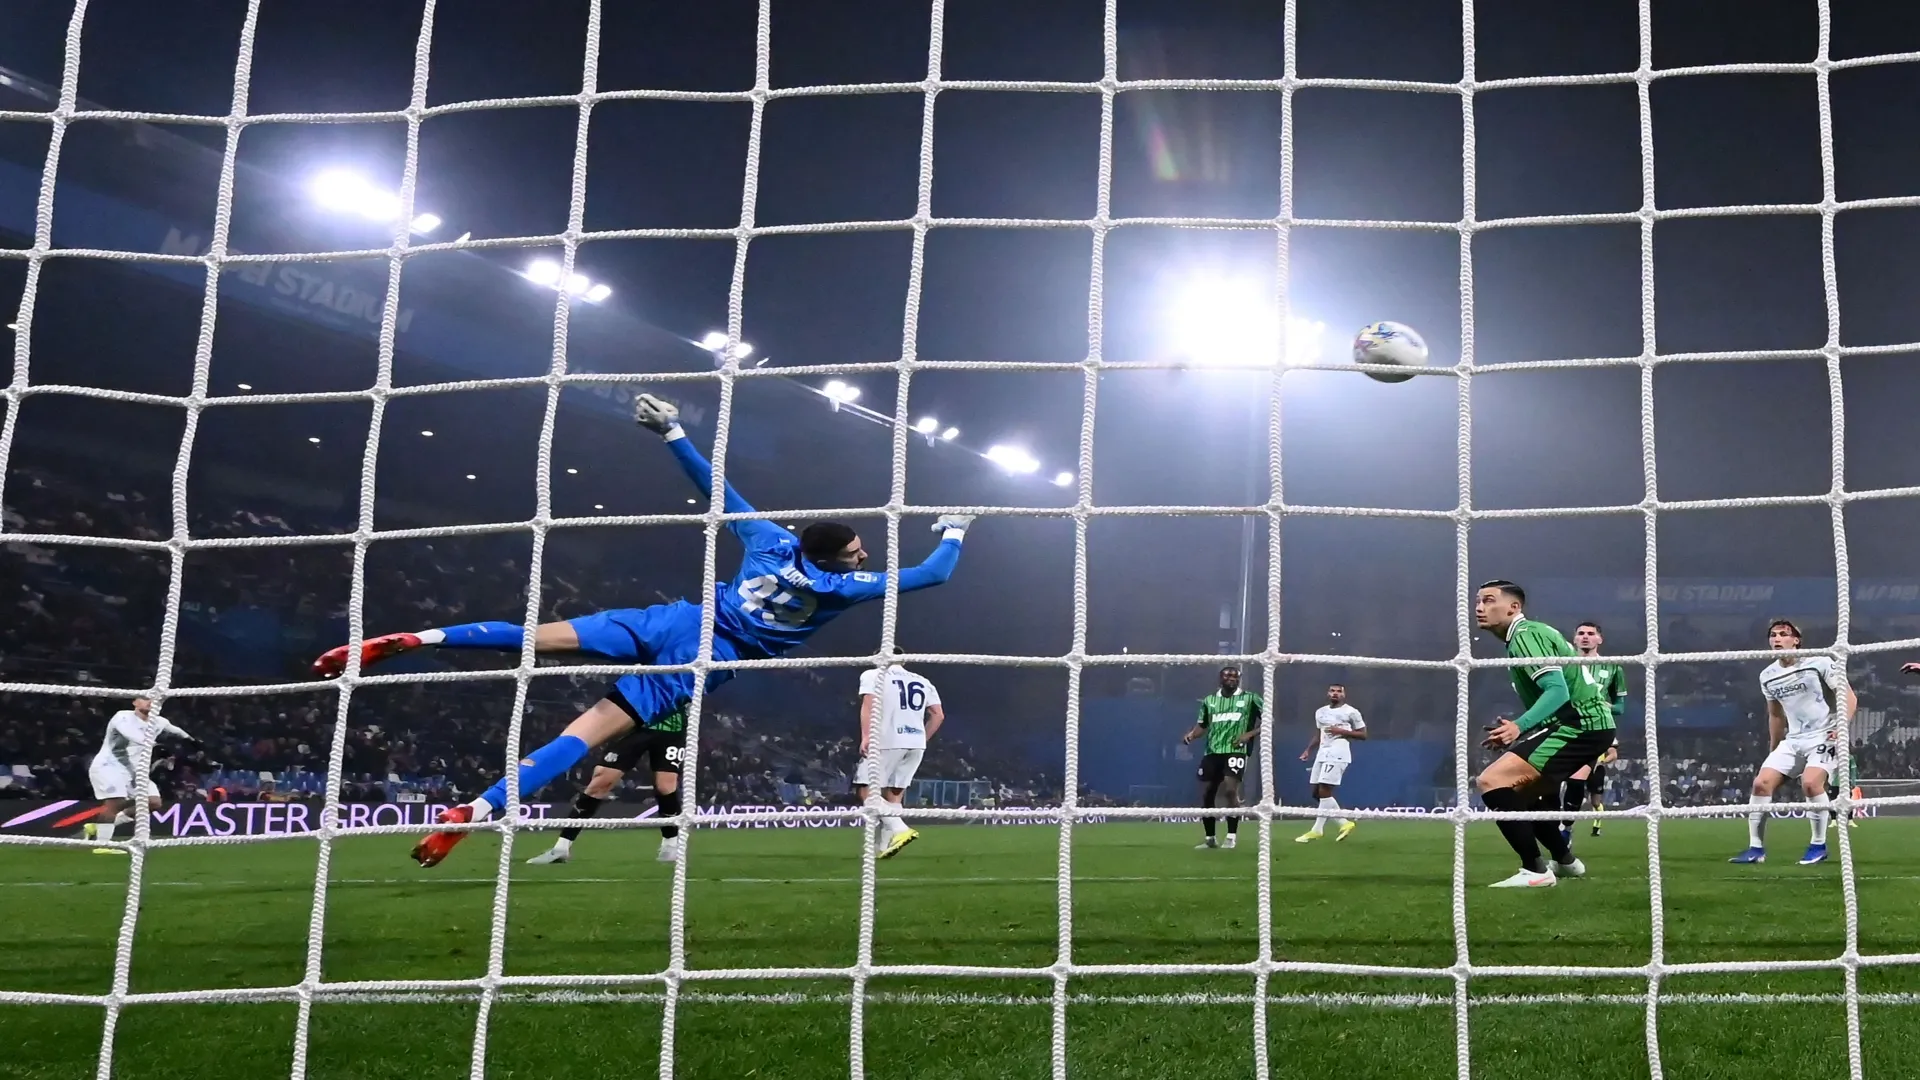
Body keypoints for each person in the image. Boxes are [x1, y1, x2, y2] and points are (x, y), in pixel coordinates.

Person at [312, 394, 972, 867]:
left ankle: (418, 639)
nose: (864, 555)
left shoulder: (770, 541)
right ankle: (478, 812)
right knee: (590, 731)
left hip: (675, 616)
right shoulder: (843, 587)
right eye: (858, 550)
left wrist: (672, 434)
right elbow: (936, 575)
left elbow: (718, 489)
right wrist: (954, 527)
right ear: (835, 560)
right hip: (705, 653)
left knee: (533, 636)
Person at [1472, 581, 1615, 888]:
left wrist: (1520, 727)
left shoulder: (1524, 635)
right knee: (1527, 795)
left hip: (1581, 726)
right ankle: (1565, 863)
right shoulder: (1529, 635)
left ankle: (1535, 871)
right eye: (1478, 602)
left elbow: (1557, 690)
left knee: (1492, 781)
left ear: (1514, 607)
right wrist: (1521, 726)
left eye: (1488, 600)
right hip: (1584, 725)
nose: (1479, 608)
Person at [1729, 619, 1856, 866]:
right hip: (1794, 740)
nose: (1777, 639)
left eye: (1783, 634)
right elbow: (1775, 715)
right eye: (1773, 635)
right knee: (1761, 784)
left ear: (1796, 640)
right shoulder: (1768, 675)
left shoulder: (1820, 662)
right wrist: (1774, 747)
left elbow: (1849, 697)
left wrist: (1840, 728)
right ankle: (1756, 849)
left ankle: (1818, 846)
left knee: (1810, 784)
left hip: (1824, 734)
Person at [524, 703, 687, 865]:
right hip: (634, 726)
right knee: (600, 782)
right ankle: (561, 848)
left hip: (673, 731)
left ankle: (671, 845)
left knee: (666, 786)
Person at [852, 649, 944, 859]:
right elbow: (938, 715)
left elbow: (869, 705)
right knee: (894, 794)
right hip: (916, 743)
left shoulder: (873, 674)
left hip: (887, 739)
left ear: (879, 658)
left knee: (865, 791)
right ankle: (884, 846)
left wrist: (866, 736)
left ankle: (900, 829)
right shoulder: (923, 681)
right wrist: (923, 738)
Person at [87, 696, 197, 854]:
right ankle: (102, 845)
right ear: (135, 703)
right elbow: (132, 735)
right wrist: (155, 745)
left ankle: (96, 828)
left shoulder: (159, 721)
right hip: (110, 766)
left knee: (153, 802)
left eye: (153, 699)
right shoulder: (122, 717)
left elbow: (176, 730)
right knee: (115, 803)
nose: (150, 702)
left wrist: (192, 740)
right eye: (145, 699)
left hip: (135, 771)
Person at [1559, 621, 1628, 842]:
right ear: (1574, 639)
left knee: (1576, 780)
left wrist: (1604, 707)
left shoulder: (1613, 667)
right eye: (1581, 633)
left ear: (1600, 639)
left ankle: (1566, 830)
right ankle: (1555, 827)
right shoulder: (1563, 664)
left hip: (1594, 730)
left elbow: (1620, 707)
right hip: (1563, 727)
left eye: (1591, 633)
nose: (1585, 637)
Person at [1181, 666, 1262, 850]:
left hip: (1236, 750)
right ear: (1220, 679)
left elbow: (1268, 721)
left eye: (1235, 676)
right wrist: (1192, 735)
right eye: (1228, 675)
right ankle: (1210, 838)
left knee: (1230, 790)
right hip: (1212, 751)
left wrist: (1248, 734)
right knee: (1208, 793)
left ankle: (1231, 836)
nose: (1232, 678)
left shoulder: (1250, 698)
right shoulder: (1210, 700)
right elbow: (1203, 725)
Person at [1296, 682, 1364, 843]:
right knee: (1316, 793)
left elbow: (1363, 734)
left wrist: (1342, 731)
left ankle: (1317, 830)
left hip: (1338, 752)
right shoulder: (1320, 712)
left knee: (1325, 790)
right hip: (1322, 753)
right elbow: (1319, 733)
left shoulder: (1351, 712)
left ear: (1343, 695)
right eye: (1332, 691)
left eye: (1339, 691)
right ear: (1328, 693)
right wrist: (1308, 750)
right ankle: (1343, 822)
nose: (1335, 693)